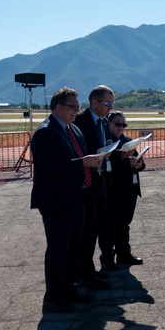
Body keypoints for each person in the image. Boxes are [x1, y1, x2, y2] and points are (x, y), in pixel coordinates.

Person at [29, 87, 103, 313]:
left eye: (78, 107)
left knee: (74, 248)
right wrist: (83, 162)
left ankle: (69, 289)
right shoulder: (46, 132)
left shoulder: (73, 130)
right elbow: (50, 167)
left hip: (76, 197)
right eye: (72, 107)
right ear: (58, 107)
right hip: (56, 201)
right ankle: (53, 297)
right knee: (59, 249)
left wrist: (93, 161)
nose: (76, 111)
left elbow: (78, 159)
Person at [74, 85, 115, 284]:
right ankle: (84, 272)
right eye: (107, 103)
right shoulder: (79, 121)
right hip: (86, 183)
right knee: (86, 231)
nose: (110, 107)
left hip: (101, 181)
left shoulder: (105, 122)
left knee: (97, 227)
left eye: (112, 104)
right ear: (94, 102)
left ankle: (89, 269)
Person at [105, 111, 145, 268]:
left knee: (124, 224)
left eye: (123, 124)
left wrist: (139, 164)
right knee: (112, 225)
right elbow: (108, 167)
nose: (120, 127)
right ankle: (108, 258)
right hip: (115, 191)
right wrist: (123, 162)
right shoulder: (107, 142)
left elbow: (140, 161)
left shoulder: (127, 140)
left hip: (131, 189)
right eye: (117, 124)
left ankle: (124, 254)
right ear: (109, 124)